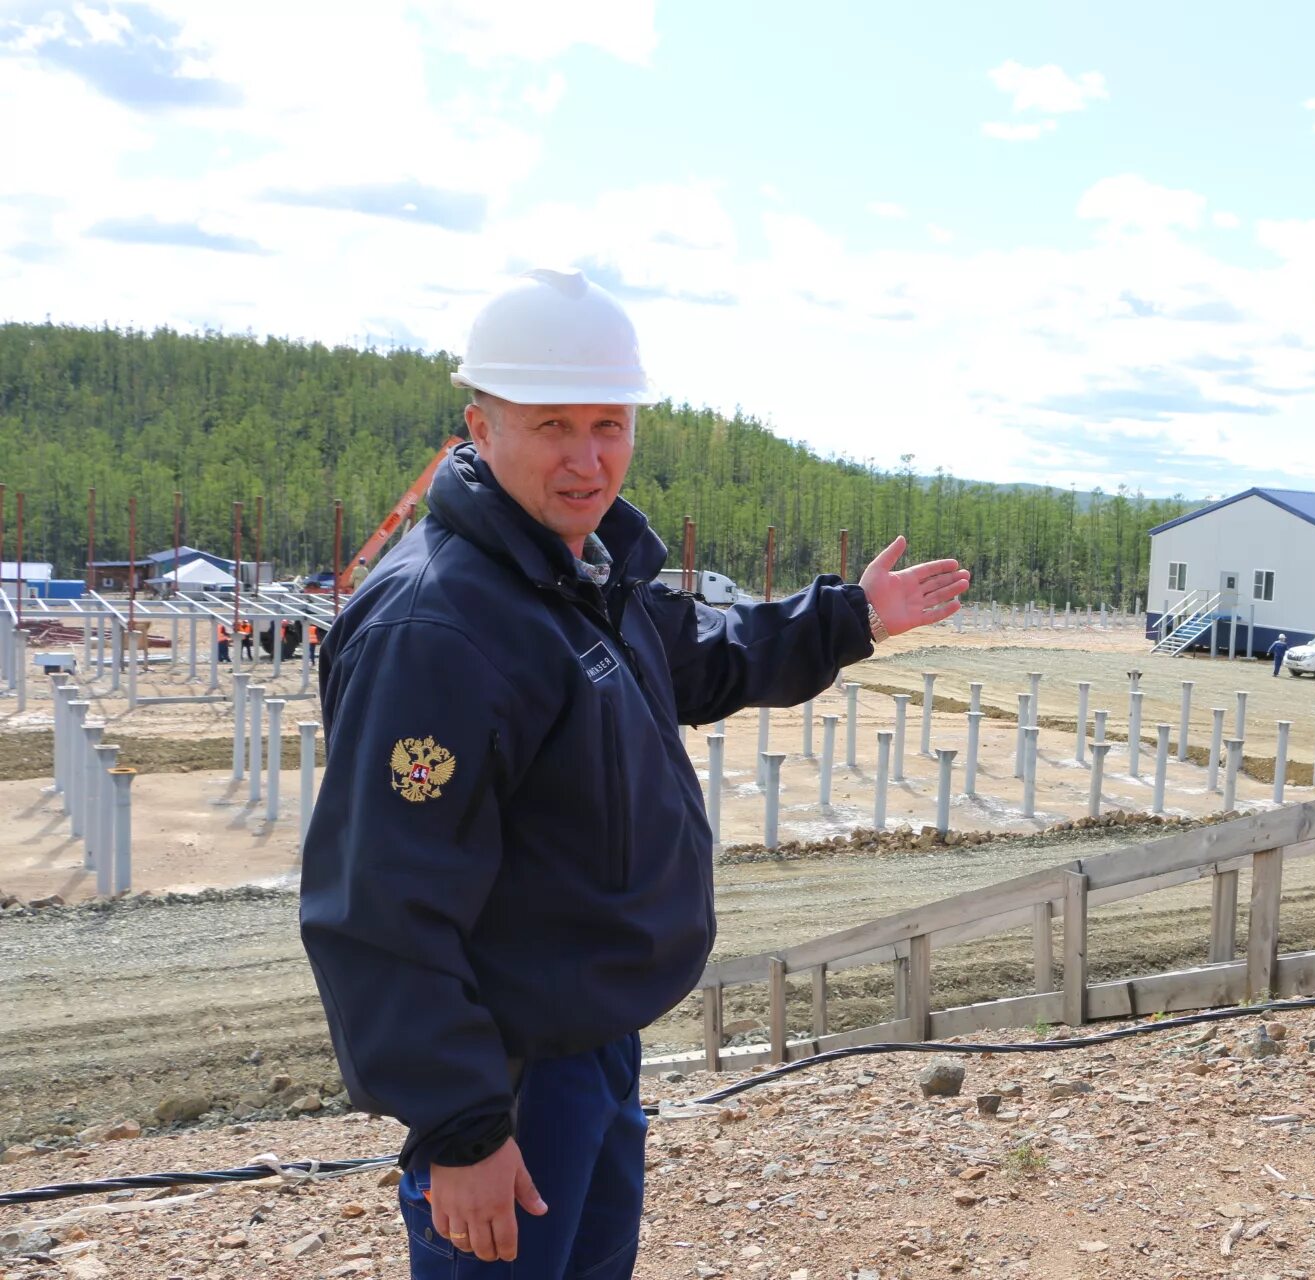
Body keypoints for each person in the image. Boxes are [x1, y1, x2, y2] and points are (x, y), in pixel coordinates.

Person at [299, 267, 970, 1278]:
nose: (587, 458)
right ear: (480, 426)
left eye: (609, 424)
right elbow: (378, 902)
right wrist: (462, 1129)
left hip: (593, 1050)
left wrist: (853, 615)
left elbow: (707, 648)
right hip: (510, 1076)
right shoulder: (440, 625)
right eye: (552, 425)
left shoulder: (573, 576)